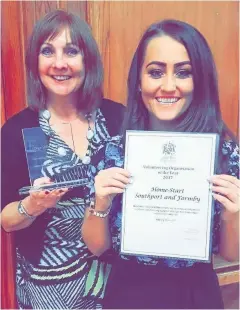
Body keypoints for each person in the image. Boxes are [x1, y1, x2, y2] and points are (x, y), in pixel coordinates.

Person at [86, 19, 239, 309]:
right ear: (139, 81)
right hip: (129, 293)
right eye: (156, 72)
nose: (168, 86)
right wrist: (101, 202)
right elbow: (96, 247)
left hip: (195, 295)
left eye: (183, 73)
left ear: (201, 80)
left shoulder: (224, 154)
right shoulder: (114, 152)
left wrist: (233, 215)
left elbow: (232, 255)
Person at [1, 9, 124, 309]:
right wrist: (32, 205)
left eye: (71, 51)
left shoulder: (118, 117)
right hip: (49, 285)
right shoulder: (18, 130)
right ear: (35, 62)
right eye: (48, 51)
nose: (59, 63)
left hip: (115, 275)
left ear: (88, 60)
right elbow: (5, 221)